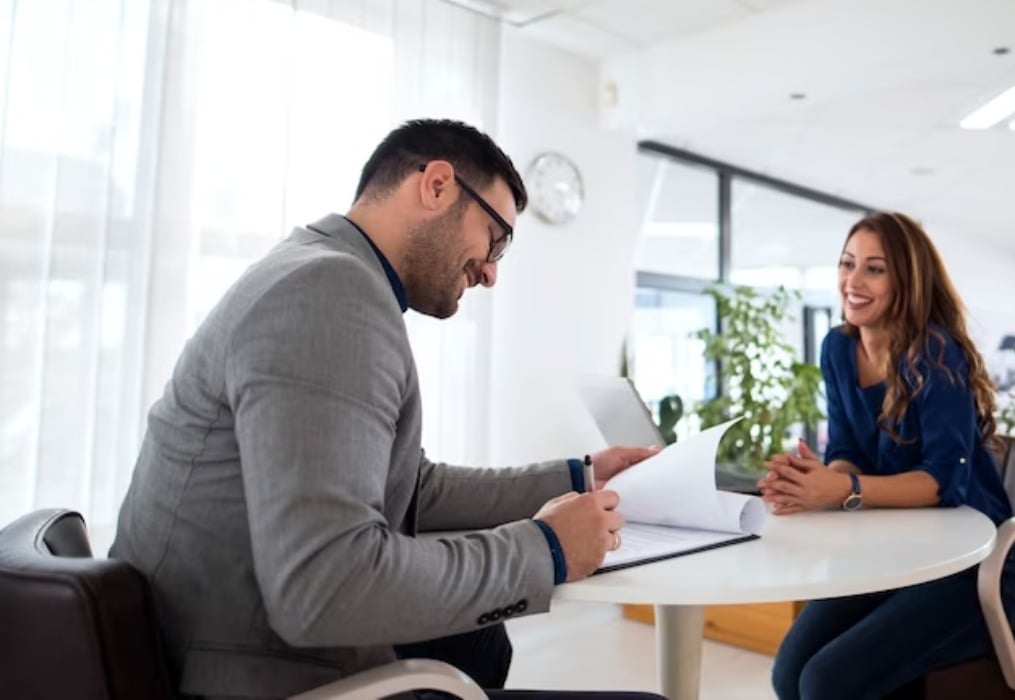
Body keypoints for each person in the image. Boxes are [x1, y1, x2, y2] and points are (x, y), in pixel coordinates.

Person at [110, 119, 664, 700]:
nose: (492, 272)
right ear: (437, 186)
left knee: (480, 643)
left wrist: (581, 477)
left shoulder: (319, 270)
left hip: (213, 638)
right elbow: (323, 587)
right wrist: (546, 549)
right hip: (248, 671)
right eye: (495, 239)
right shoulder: (329, 294)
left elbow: (411, 486)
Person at [759, 211, 1015, 700]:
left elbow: (946, 482)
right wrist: (817, 481)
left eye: (874, 269)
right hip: (892, 556)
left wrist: (842, 489)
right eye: (847, 263)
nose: (852, 282)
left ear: (907, 280)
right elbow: (846, 451)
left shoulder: (936, 353)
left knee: (826, 682)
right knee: (788, 673)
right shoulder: (837, 348)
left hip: (971, 569)